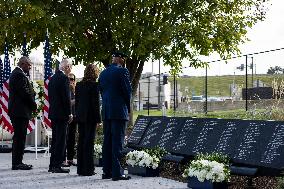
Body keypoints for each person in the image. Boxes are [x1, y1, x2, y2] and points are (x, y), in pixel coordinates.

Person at [98, 52, 132, 181]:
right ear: (120, 59)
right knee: (117, 143)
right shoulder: (122, 71)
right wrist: (128, 109)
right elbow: (127, 92)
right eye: (123, 58)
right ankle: (117, 173)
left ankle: (106, 171)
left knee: (107, 142)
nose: (124, 61)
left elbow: (101, 90)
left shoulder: (103, 73)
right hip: (118, 111)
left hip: (107, 111)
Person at [8, 56, 37, 170]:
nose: (30, 67)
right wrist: (33, 105)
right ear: (23, 64)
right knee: (19, 138)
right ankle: (17, 163)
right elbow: (25, 94)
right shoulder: (19, 75)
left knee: (19, 137)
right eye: (29, 65)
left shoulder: (18, 74)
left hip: (18, 111)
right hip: (19, 111)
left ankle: (18, 161)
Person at [75, 64, 101, 176]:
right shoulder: (95, 86)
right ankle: (88, 169)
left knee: (81, 142)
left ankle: (80, 169)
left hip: (80, 117)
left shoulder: (79, 85)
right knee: (89, 143)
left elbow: (77, 102)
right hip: (90, 117)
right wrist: (99, 119)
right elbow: (95, 104)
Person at [48, 58, 73, 173]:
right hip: (62, 114)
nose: (71, 69)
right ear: (66, 67)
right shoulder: (64, 79)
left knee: (55, 140)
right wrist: (69, 113)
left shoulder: (52, 78)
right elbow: (66, 98)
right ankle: (57, 165)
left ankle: (52, 164)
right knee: (61, 141)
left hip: (54, 113)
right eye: (70, 67)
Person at [63, 73, 77, 167]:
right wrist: (76, 100)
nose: (70, 81)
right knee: (65, 138)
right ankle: (63, 159)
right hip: (67, 116)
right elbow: (66, 103)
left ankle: (71, 159)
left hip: (75, 116)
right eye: (69, 79)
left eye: (72, 79)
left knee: (72, 138)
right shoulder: (65, 89)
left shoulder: (75, 90)